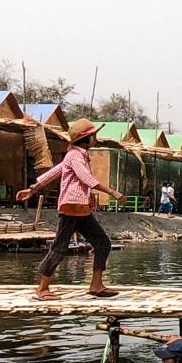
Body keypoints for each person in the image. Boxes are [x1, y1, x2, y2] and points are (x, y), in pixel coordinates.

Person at [16, 118, 124, 300]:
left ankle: (96, 284)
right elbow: (87, 179)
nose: (95, 138)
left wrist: (33, 188)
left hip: (81, 210)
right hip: (72, 208)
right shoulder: (75, 156)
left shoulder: (76, 155)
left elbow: (54, 172)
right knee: (59, 247)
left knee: (102, 243)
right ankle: (42, 289)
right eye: (93, 136)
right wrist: (114, 193)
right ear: (88, 138)